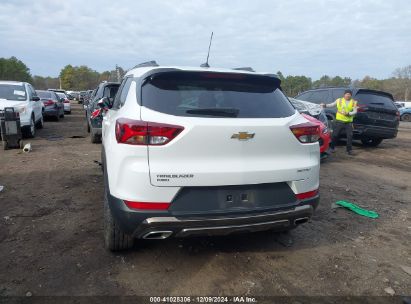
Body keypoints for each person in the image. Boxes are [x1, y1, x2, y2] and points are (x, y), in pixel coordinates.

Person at [321, 89, 358, 155]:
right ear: (344, 94)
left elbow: (355, 111)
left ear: (351, 95)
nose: (348, 95)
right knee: (335, 135)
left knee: (350, 136)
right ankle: (332, 148)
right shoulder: (339, 100)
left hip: (348, 122)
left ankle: (349, 150)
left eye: (349, 94)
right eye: (347, 94)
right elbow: (332, 104)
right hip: (339, 121)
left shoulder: (353, 102)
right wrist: (325, 105)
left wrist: (349, 113)